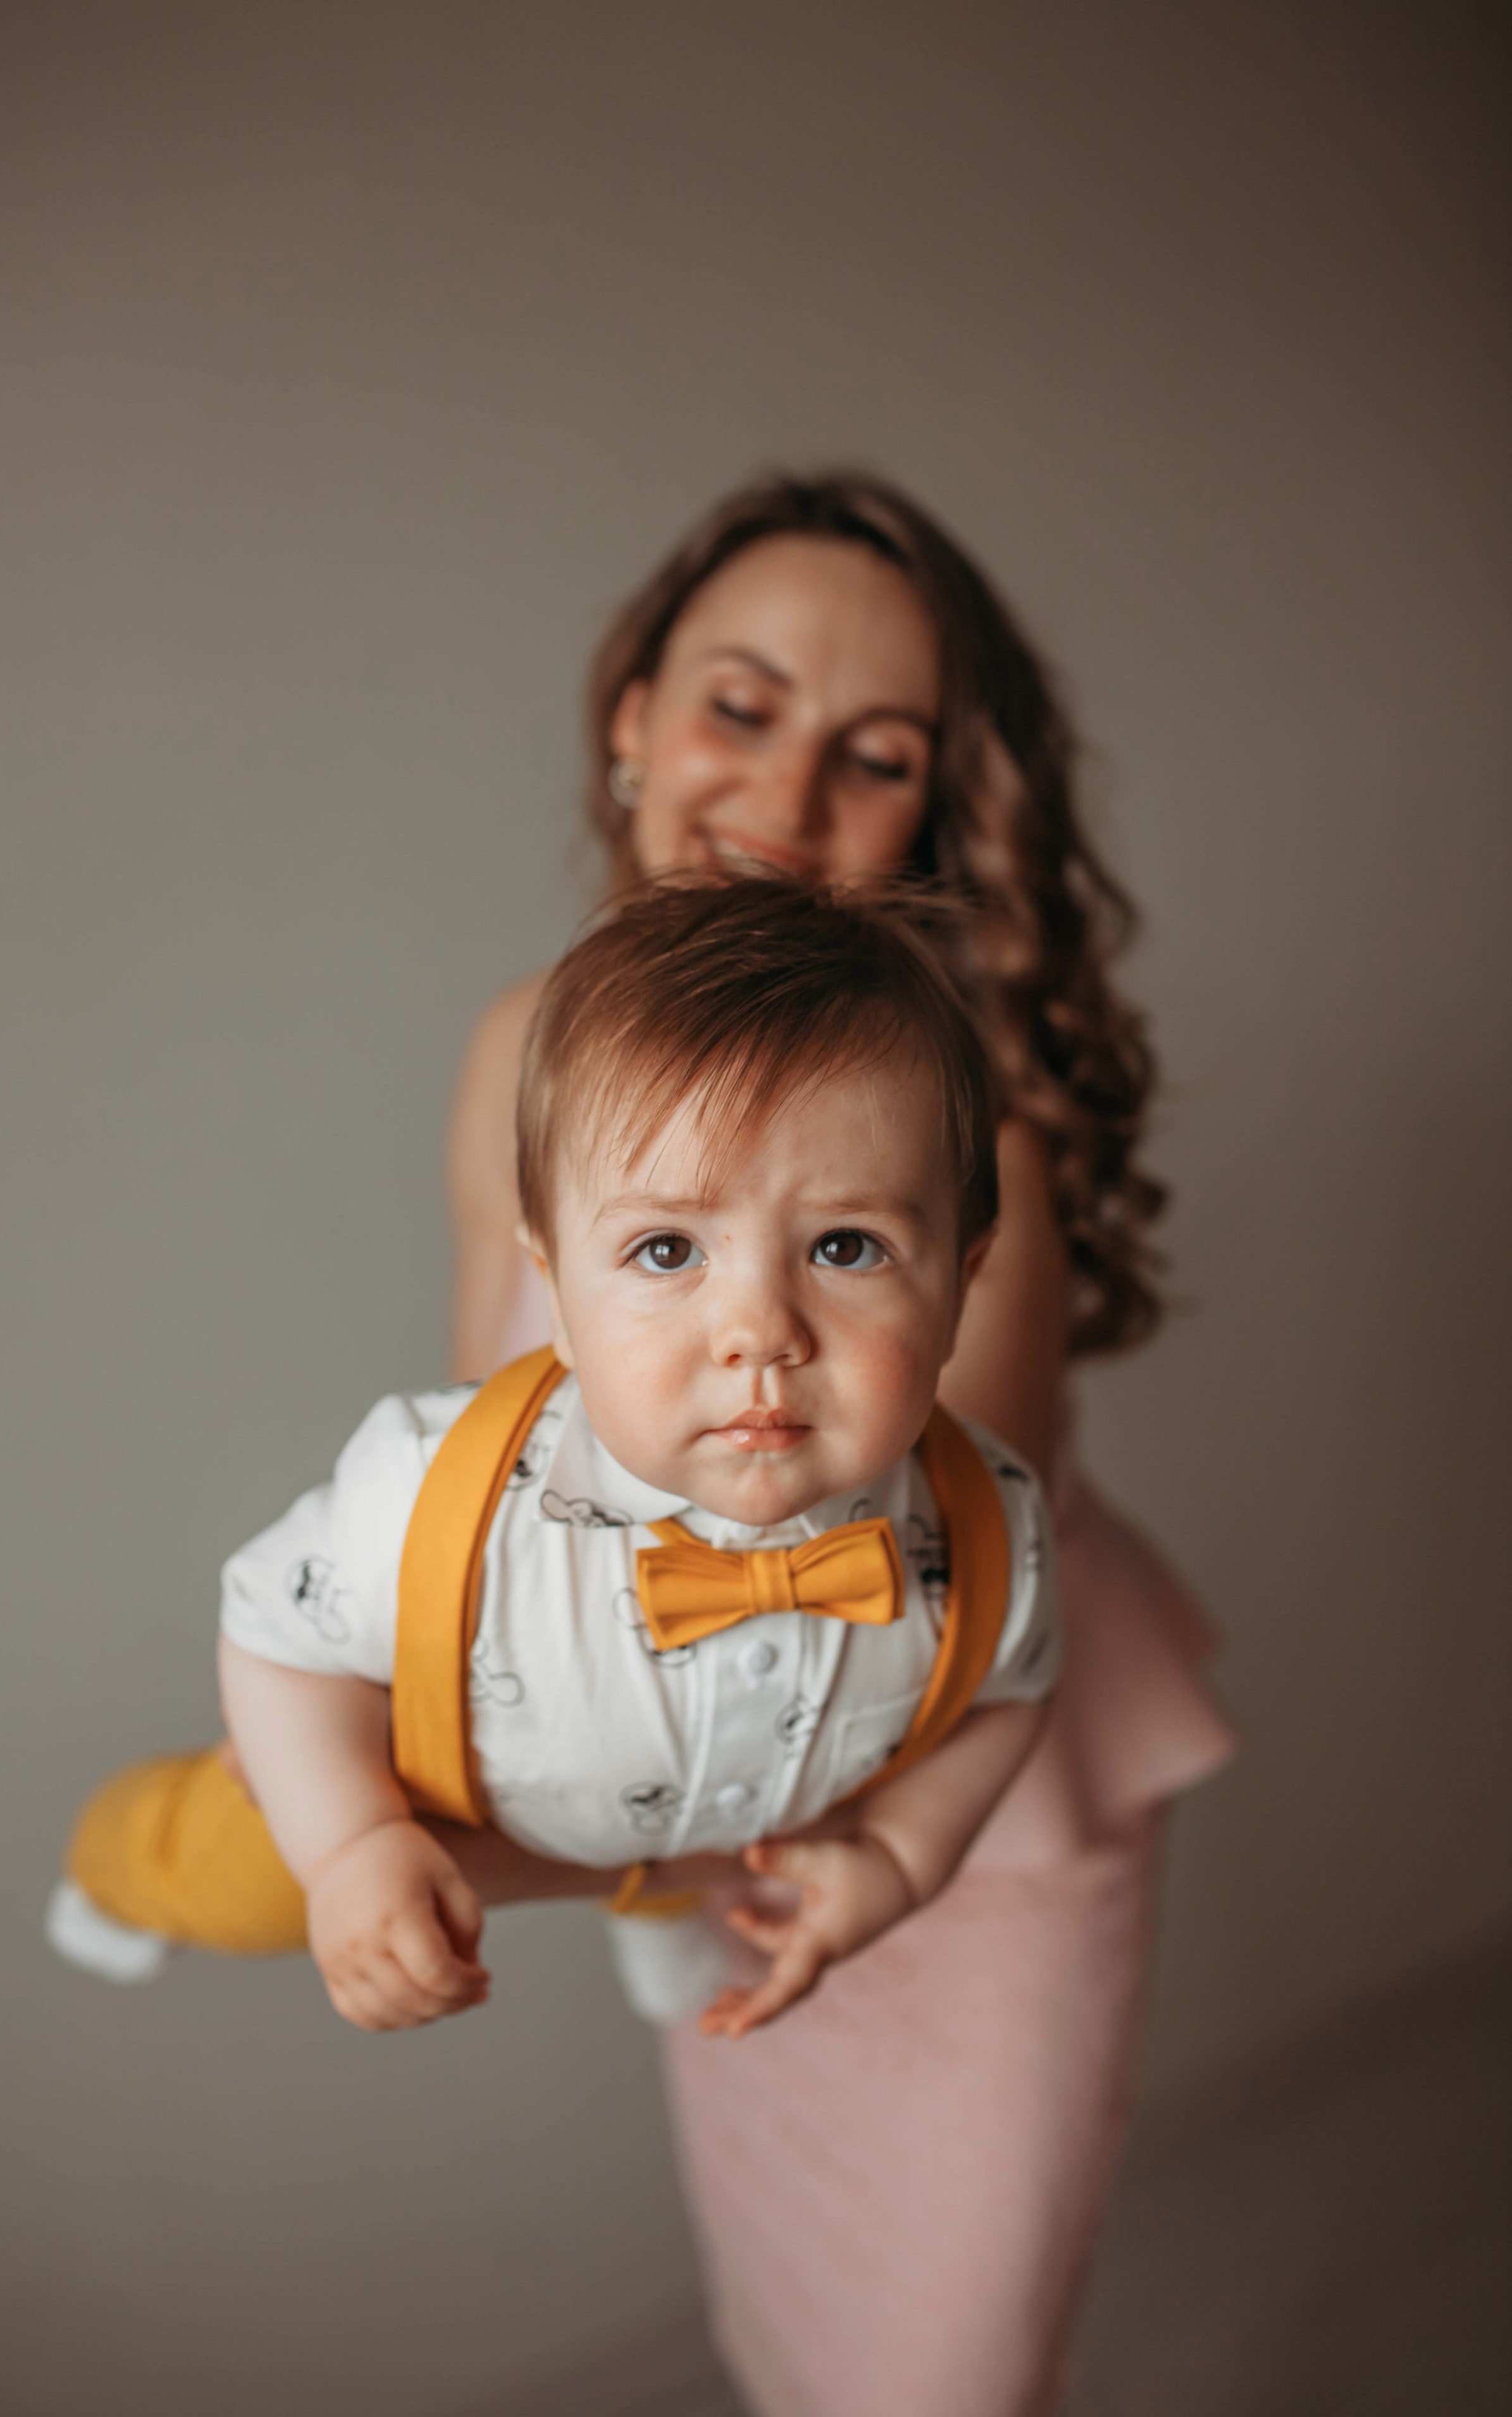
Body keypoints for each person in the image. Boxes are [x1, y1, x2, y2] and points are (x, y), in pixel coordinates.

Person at [445, 471, 1236, 2417]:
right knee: (798, 2348)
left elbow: (917, 1595)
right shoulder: (522, 1053)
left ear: (933, 814)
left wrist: (519, 1829)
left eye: (874, 756)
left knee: (944, 2379)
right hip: (692, 1806)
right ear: (633, 713)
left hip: (956, 1796)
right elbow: (494, 1457)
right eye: (741, 707)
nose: (787, 794)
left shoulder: (970, 1124)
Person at [50, 880, 1060, 2042]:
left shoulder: (993, 1524)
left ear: (961, 1279)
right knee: (226, 1881)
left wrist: (902, 1857)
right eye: (667, 1250)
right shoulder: (433, 1490)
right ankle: (114, 1868)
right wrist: (351, 1848)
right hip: (424, 1793)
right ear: (560, 1290)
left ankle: (654, 1906)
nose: (759, 1332)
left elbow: (1010, 1696)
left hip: (679, 1811)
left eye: (845, 1246)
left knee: (668, 1818)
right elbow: (278, 1641)